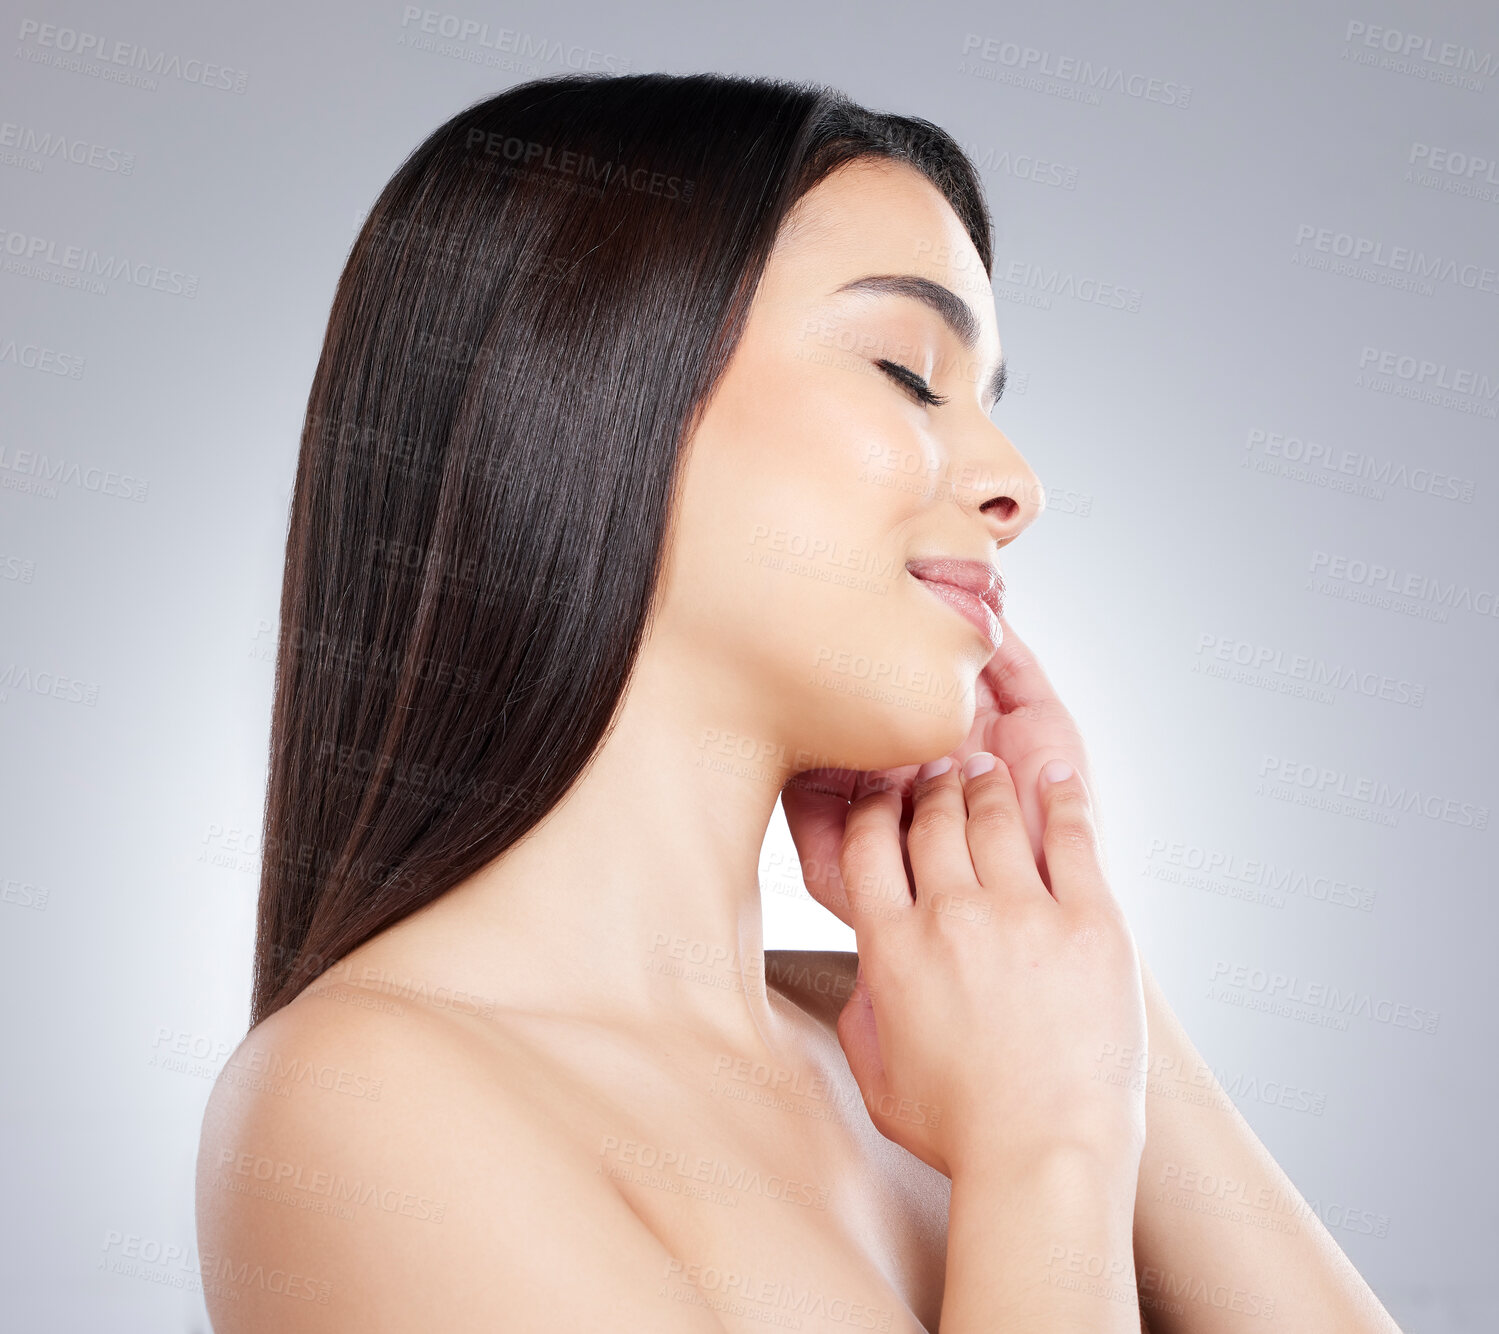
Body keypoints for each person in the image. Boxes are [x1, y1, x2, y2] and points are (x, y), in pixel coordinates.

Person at [196, 71, 1403, 1332]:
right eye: (904, 368)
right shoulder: (368, 1104)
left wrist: (1077, 959)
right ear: (589, 391)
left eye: (989, 398)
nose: (1014, 483)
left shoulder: (918, 1030)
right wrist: (1044, 1154)